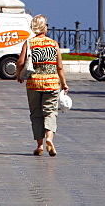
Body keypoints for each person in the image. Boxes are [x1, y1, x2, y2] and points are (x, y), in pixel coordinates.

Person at [16, 14, 68, 156]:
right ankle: (49, 139)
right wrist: (64, 84)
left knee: (36, 113)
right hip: (51, 83)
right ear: (44, 27)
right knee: (50, 112)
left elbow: (20, 62)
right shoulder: (53, 44)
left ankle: (39, 145)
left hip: (33, 83)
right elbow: (60, 67)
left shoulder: (29, 43)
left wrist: (18, 74)